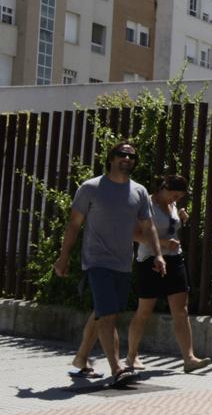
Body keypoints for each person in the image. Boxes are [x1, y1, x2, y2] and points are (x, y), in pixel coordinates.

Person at [54, 142, 165, 385]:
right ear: (111, 158)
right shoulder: (91, 188)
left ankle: (81, 359)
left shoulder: (139, 192)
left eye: (132, 156)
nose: (127, 158)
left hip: (122, 262)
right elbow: (74, 225)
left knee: (103, 311)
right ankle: (117, 369)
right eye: (121, 154)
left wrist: (158, 254)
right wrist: (63, 257)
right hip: (96, 260)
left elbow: (149, 227)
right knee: (109, 316)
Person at [126, 175, 209, 373]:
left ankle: (189, 358)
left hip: (174, 259)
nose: (175, 199)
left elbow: (170, 227)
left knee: (181, 310)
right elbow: (135, 234)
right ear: (164, 188)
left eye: (179, 196)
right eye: (174, 195)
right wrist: (162, 245)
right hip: (149, 260)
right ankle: (131, 356)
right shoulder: (147, 204)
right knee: (144, 311)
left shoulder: (173, 206)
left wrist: (180, 217)